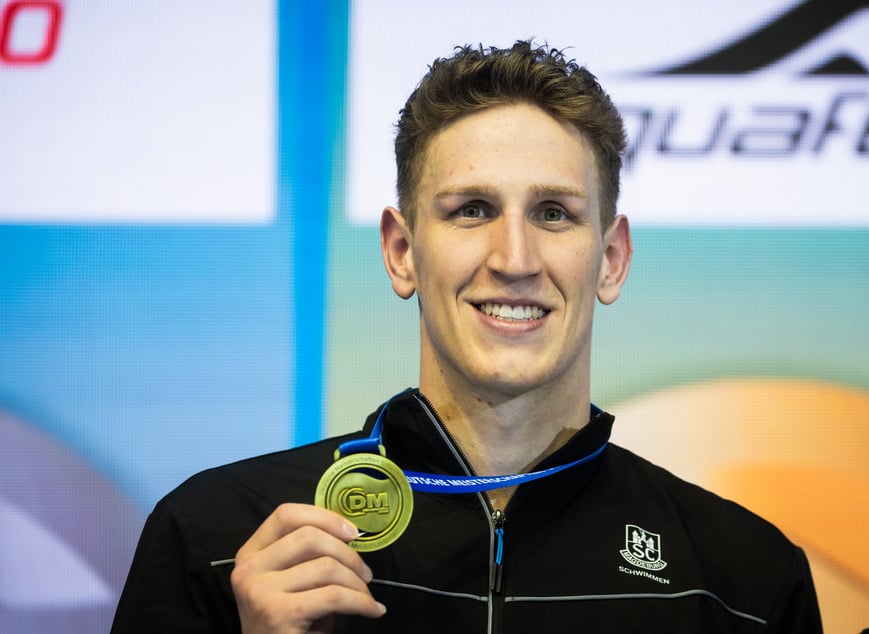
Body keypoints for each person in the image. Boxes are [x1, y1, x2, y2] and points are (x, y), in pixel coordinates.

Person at [113, 40, 823, 632]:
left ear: (609, 259)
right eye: (471, 210)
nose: (513, 260)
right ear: (400, 252)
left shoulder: (741, 580)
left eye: (553, 213)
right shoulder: (215, 537)